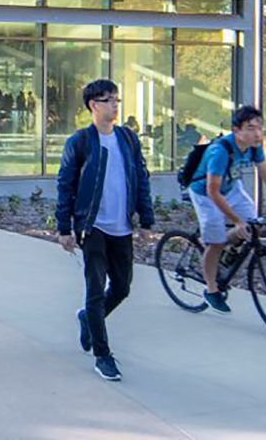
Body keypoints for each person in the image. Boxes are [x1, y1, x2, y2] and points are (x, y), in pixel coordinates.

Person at [54, 79, 155, 383]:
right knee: (95, 290)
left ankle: (88, 319)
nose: (115, 104)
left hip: (121, 226)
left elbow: (141, 177)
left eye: (116, 99)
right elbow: (65, 186)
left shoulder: (127, 139)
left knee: (122, 287)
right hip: (93, 226)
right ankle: (103, 354)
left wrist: (146, 218)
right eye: (108, 99)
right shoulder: (80, 142)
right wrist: (65, 227)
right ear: (93, 105)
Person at [190, 105, 266, 314]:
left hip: (231, 188)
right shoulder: (220, 152)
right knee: (216, 242)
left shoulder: (254, 146)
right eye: (250, 128)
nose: (257, 133)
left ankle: (229, 250)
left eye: (260, 127)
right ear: (236, 130)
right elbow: (213, 192)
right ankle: (211, 289)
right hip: (205, 194)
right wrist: (236, 220)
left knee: (254, 226)